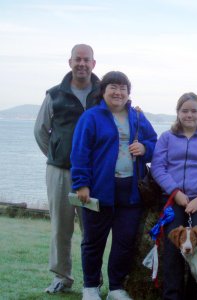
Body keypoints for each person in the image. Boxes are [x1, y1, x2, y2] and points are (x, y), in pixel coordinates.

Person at [70, 71, 157, 300]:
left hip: (130, 192)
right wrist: (81, 184)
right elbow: (80, 153)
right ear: (104, 91)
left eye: (123, 88)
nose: (118, 92)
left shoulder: (137, 117)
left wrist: (145, 148)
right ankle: (90, 287)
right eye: (113, 87)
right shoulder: (91, 117)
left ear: (129, 93)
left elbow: (157, 143)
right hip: (99, 190)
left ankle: (116, 287)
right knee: (93, 241)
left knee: (124, 241)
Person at [34, 44, 99, 293]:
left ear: (94, 63)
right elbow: (41, 131)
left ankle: (92, 281)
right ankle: (62, 277)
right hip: (59, 172)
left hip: (93, 174)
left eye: (87, 60)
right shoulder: (54, 95)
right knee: (60, 227)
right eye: (77, 59)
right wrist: (57, 154)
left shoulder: (103, 93)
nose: (82, 64)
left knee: (91, 230)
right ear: (70, 62)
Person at [151, 92, 197, 300]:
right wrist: (176, 192)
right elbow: (158, 167)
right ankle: (171, 296)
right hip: (173, 199)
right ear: (178, 112)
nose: (189, 115)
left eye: (194, 110)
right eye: (185, 110)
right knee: (173, 249)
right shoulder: (167, 137)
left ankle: (194, 295)